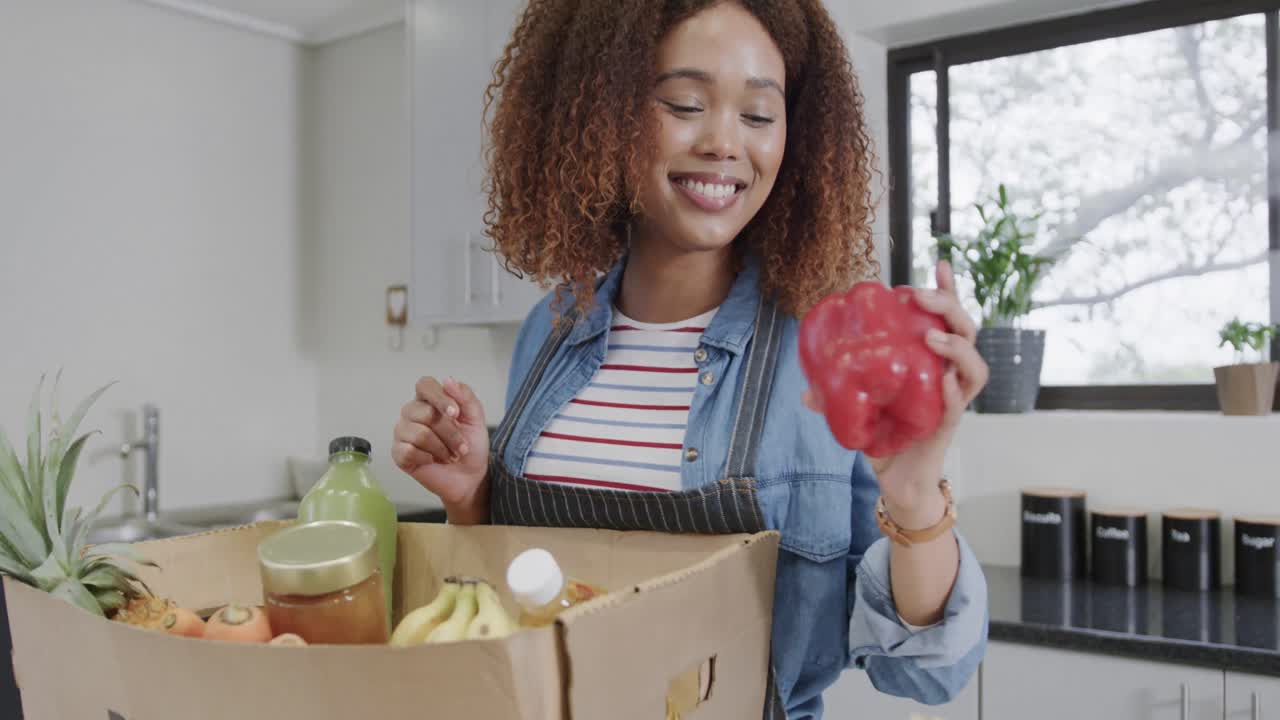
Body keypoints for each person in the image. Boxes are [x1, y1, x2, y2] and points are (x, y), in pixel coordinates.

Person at [392, 1, 989, 717]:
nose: (722, 142)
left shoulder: (825, 356)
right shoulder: (549, 327)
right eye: (685, 103)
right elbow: (514, 599)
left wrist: (917, 495)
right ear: (601, 115)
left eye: (759, 116)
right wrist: (471, 501)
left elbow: (926, 673)